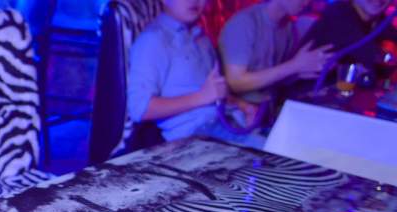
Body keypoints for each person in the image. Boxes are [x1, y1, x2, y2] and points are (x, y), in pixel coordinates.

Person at [127, 0, 263, 147]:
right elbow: (139, 108)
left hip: (228, 122)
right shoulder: (153, 40)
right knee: (271, 150)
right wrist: (201, 97)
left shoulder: (202, 38)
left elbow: (213, 92)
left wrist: (242, 105)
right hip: (194, 137)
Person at [219, 0, 334, 104]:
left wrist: (300, 71)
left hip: (270, 106)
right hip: (242, 112)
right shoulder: (244, 23)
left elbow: (279, 75)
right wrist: (294, 66)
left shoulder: (288, 27)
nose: (308, 2)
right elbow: (236, 82)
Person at [300, 0, 397, 71]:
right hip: (308, 90)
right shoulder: (339, 14)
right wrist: (389, 59)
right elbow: (369, 53)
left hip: (340, 89)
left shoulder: (378, 20)